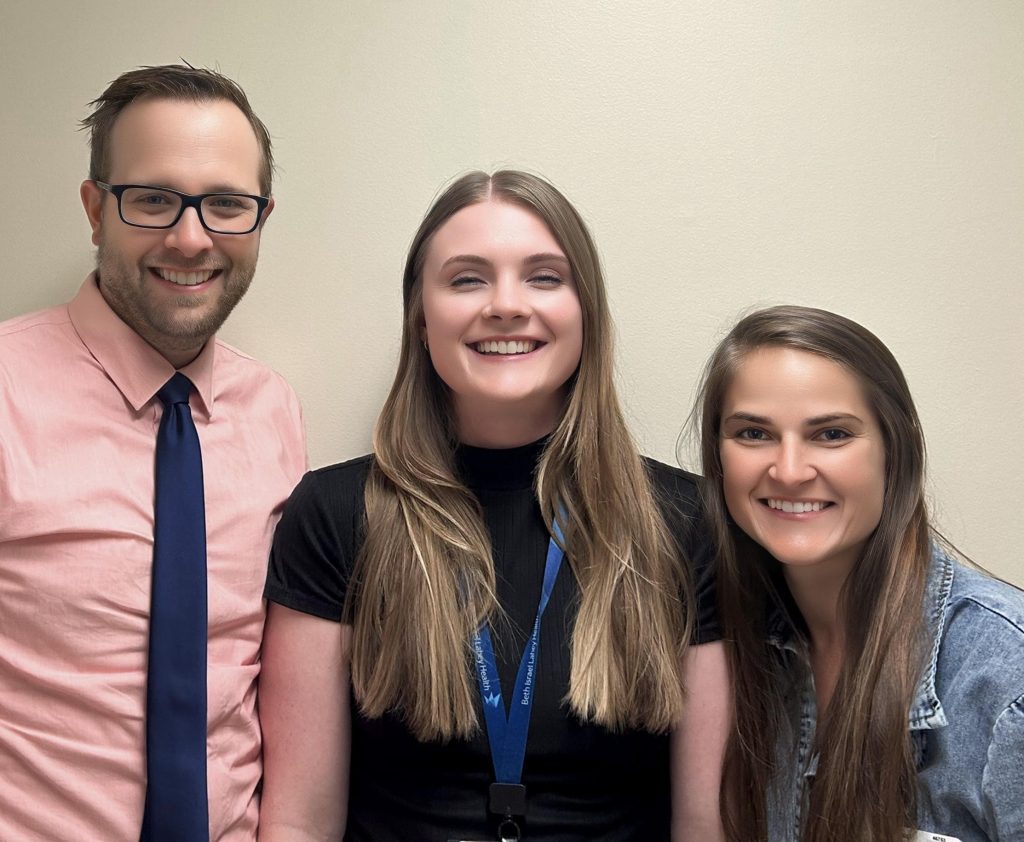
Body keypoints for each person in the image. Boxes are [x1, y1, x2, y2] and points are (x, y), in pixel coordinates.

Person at [259, 170, 728, 841]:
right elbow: (299, 822)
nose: (506, 305)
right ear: (421, 317)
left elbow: (704, 826)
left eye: (543, 277)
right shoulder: (336, 515)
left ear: (586, 312)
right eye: (467, 278)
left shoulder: (684, 522)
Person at [0, 65, 306, 840]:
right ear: (95, 209)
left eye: (228, 204)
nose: (191, 237)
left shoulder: (273, 410)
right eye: (153, 199)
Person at [694, 305, 1024, 842]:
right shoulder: (729, 657)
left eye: (831, 434)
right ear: (718, 458)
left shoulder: (1006, 676)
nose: (790, 470)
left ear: (897, 450)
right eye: (754, 433)